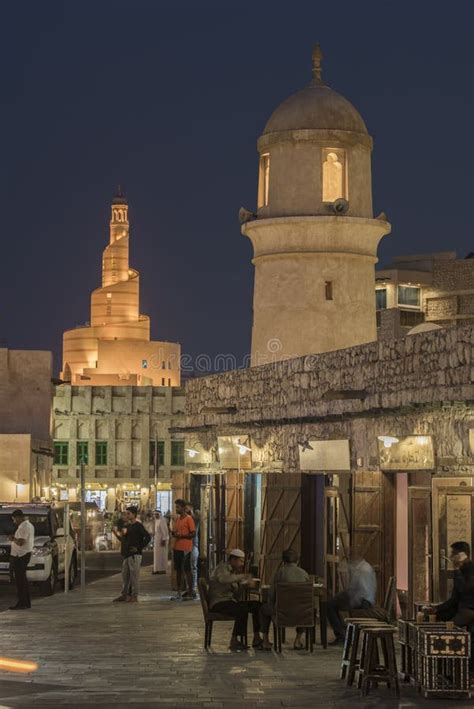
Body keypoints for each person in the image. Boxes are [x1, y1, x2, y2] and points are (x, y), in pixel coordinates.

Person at [208, 548, 262, 651]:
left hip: (229, 602)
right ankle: (234, 640)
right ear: (233, 560)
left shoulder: (233, 572)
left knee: (257, 605)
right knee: (241, 609)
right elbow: (223, 579)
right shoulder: (222, 568)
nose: (242, 564)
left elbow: (236, 595)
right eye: (240, 561)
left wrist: (243, 586)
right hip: (219, 603)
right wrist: (242, 577)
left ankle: (257, 637)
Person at [260, 548, 310, 650]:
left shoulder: (279, 573)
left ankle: (265, 641)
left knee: (263, 609)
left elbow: (271, 593)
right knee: (303, 607)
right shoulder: (304, 573)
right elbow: (307, 598)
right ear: (297, 560)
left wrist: (271, 604)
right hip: (301, 614)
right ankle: (297, 640)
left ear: (283, 561)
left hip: (282, 613)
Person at [327, 553, 376, 643]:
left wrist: (351, 600)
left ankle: (341, 633)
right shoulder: (361, 567)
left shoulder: (363, 570)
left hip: (363, 602)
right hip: (361, 598)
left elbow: (363, 591)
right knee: (333, 603)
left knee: (330, 605)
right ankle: (342, 630)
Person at [113, 506, 151, 603]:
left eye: (129, 513)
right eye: (126, 513)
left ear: (134, 515)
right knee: (125, 576)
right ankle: (125, 594)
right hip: (127, 554)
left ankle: (134, 595)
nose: (127, 515)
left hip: (135, 554)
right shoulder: (128, 526)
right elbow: (124, 541)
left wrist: (138, 547)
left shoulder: (138, 526)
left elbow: (147, 537)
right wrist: (116, 534)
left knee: (134, 576)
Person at [435, 541, 473, 626]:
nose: (451, 557)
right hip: (459, 607)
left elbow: (464, 589)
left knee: (450, 628)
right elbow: (454, 598)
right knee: (436, 617)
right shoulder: (460, 571)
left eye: (454, 553)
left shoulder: (471, 570)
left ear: (463, 555)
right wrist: (436, 609)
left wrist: (456, 568)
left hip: (469, 609)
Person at [8, 509, 35, 610]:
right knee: (22, 579)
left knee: (20, 580)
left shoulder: (24, 527)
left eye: (14, 519)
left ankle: (22, 602)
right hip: (22, 554)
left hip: (21, 556)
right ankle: (25, 602)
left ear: (18, 517)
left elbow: (21, 542)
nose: (14, 521)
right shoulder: (28, 525)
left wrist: (12, 539)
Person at [171, 499, 196, 600]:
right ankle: (179, 592)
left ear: (183, 508)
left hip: (186, 548)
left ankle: (190, 591)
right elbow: (175, 531)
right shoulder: (178, 519)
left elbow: (193, 533)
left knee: (187, 569)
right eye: (176, 507)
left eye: (178, 507)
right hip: (177, 547)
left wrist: (182, 535)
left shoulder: (189, 519)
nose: (176, 509)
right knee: (178, 570)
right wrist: (174, 533)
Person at [185, 503, 200, 596]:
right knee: (186, 569)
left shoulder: (194, 517)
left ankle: (193, 589)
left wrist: (192, 513)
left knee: (193, 568)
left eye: (187, 508)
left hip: (193, 545)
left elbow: (198, 517)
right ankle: (188, 588)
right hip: (185, 546)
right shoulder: (184, 519)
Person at [153, 510, 169, 574]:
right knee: (156, 556)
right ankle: (157, 569)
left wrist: (164, 539)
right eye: (155, 514)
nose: (156, 515)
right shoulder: (156, 521)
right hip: (157, 540)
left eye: (157, 514)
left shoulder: (162, 521)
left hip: (162, 540)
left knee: (162, 555)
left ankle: (162, 569)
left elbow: (165, 531)